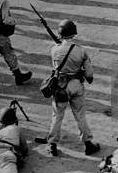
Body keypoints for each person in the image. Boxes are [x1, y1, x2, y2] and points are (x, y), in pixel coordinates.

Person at [36, 19, 100, 156]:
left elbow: (56, 67)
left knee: (57, 116)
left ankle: (52, 144)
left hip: (60, 86)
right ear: (73, 34)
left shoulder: (54, 50)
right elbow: (89, 74)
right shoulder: (81, 51)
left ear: (60, 34)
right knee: (80, 115)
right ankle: (88, 144)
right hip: (76, 85)